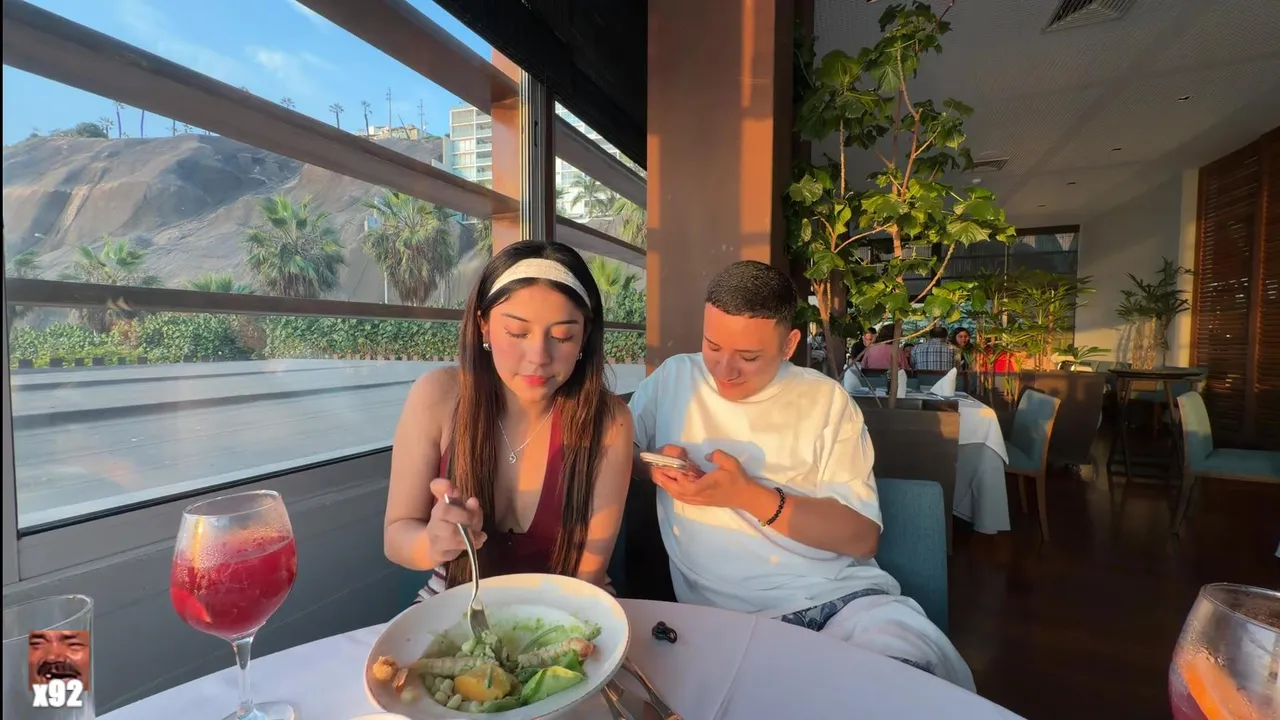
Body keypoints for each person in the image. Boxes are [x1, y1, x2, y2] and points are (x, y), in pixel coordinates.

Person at [628, 260, 975, 691]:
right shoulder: (674, 379)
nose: (724, 370)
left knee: (909, 688)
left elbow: (862, 537)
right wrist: (656, 465)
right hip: (730, 624)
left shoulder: (825, 400)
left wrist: (746, 495)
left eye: (748, 357)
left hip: (845, 605)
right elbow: (622, 451)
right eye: (712, 346)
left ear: (789, 344)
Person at [384, 241, 635, 600]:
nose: (539, 356)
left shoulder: (609, 421)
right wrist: (433, 543)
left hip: (572, 601)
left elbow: (589, 572)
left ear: (584, 337)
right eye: (517, 332)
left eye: (562, 336)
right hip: (457, 598)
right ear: (484, 326)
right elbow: (397, 536)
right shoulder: (437, 395)